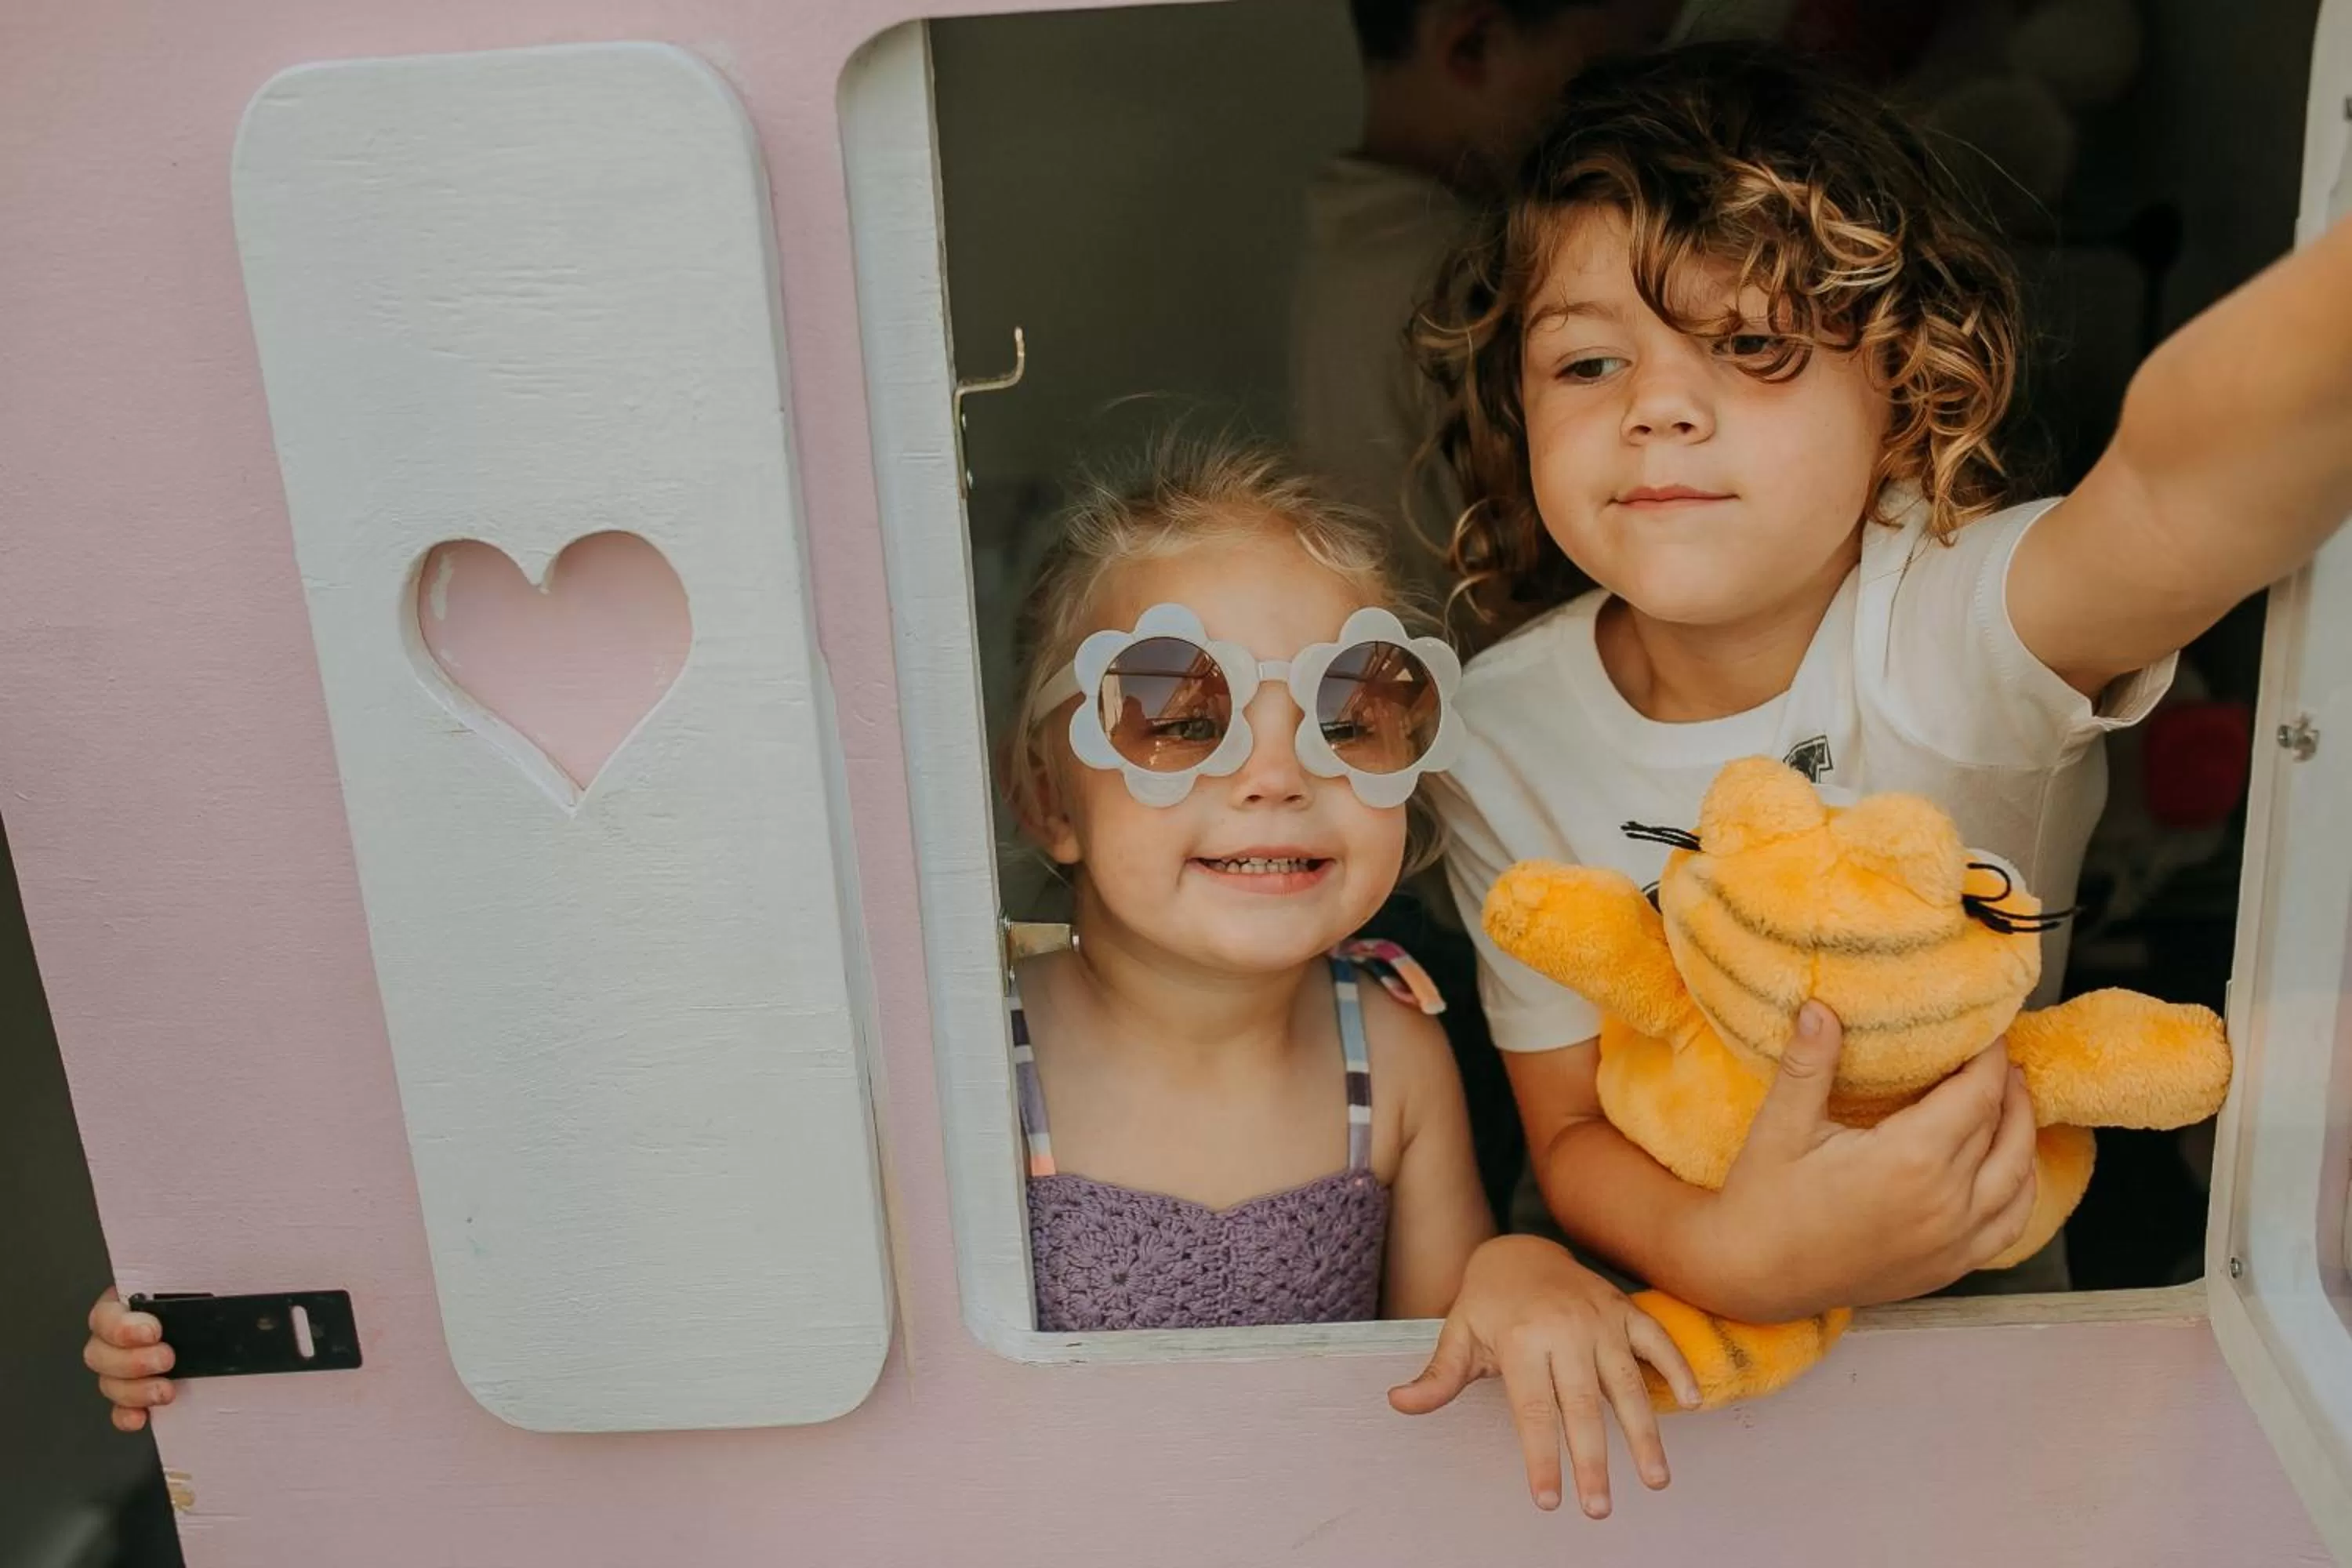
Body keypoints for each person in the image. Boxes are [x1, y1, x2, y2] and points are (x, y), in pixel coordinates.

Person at [86, 437, 1704, 1520]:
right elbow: (675, 1258)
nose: (1275, 774)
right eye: (1176, 710)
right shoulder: (968, 1065)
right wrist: (300, 1326)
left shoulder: (1391, 1059)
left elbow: (1433, 1377)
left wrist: (1520, 1276)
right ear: (1045, 797)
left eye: (1349, 709)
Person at [1417, 42, 2352, 1319]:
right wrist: (1734, 1259)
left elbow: (2176, 495)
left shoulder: (1960, 624)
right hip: (1655, 1370)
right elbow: (1570, 1129)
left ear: (1904, 388)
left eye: (1752, 342)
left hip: (1976, 1370)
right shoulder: (1496, 727)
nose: (1659, 407)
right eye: (1588, 364)